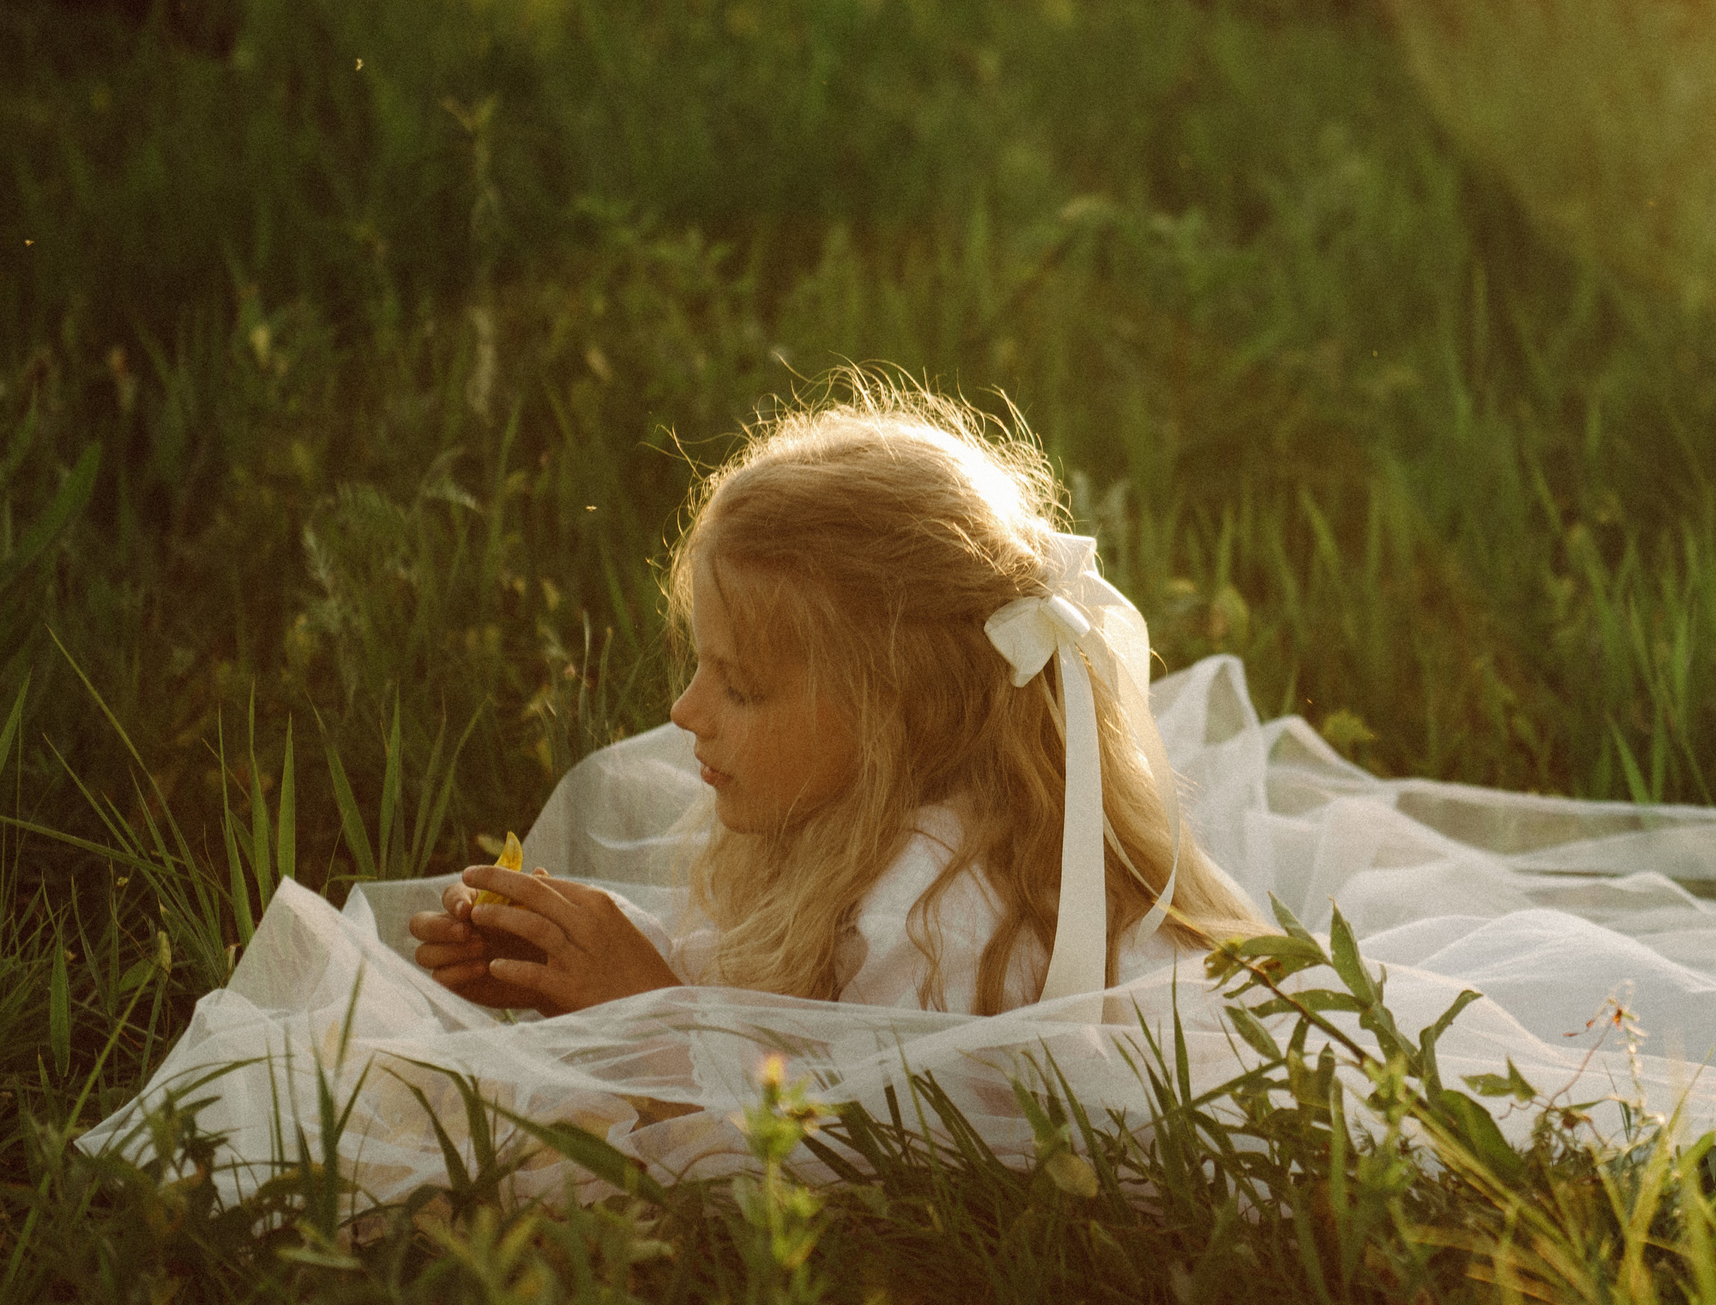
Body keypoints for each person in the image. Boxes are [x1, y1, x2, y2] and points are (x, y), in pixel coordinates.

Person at [405, 383, 1268, 1018]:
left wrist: (643, 1003)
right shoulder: (853, 828)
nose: (685, 712)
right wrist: (578, 961)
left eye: (741, 686)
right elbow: (770, 1003)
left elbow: (830, 1153)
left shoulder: (940, 921)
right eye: (703, 668)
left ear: (895, 719)